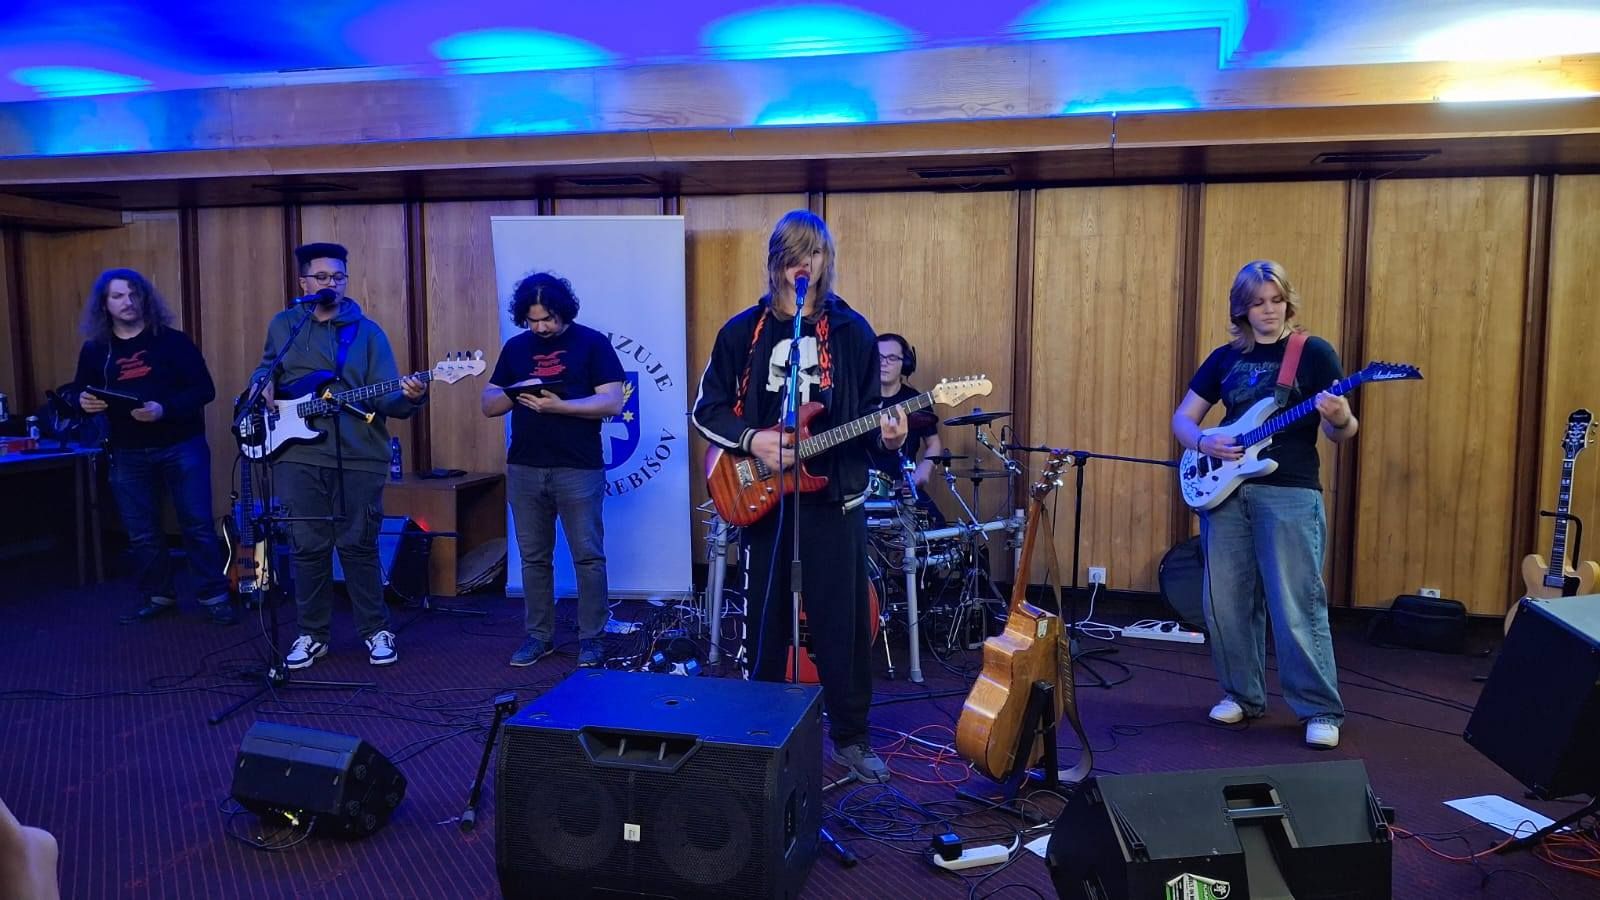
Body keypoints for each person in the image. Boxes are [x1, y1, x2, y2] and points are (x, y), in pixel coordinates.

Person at [692, 209, 906, 783]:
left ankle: (851, 738)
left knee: (843, 626)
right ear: (776, 264)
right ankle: (757, 735)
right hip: (764, 502)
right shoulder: (742, 332)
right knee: (764, 623)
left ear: (825, 260)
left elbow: (870, 421)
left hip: (835, 502)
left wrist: (889, 438)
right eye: (791, 256)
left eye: (812, 254)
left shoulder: (853, 332)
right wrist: (753, 440)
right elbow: (706, 410)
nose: (801, 266)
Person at [1170, 260, 1356, 749]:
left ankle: (1319, 709)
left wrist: (1339, 416)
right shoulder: (1224, 358)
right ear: (1242, 310)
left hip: (1290, 490)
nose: (1269, 310)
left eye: (1276, 300)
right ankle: (1241, 694)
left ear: (1287, 303)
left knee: (1296, 604)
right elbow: (1184, 419)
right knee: (1225, 603)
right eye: (1258, 303)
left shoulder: (1313, 353)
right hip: (1226, 491)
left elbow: (1342, 432)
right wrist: (1203, 442)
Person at [248, 243, 428, 670]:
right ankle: (312, 634)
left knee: (358, 544)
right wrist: (261, 384)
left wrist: (411, 397)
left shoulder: (368, 333)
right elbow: (267, 368)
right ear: (304, 283)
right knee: (306, 546)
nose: (332, 284)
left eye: (339, 277)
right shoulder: (284, 325)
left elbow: (386, 398)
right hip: (296, 453)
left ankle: (375, 630)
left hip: (358, 454)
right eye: (322, 277)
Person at [73, 268, 235, 626]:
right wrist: (83, 402)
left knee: (196, 524)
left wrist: (164, 409)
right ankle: (158, 595)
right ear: (104, 304)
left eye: (134, 294)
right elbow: (79, 393)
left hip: (181, 445)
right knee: (142, 531)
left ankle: (214, 596)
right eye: (118, 296)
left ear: (145, 299)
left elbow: (204, 390)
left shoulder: (172, 341)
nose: (128, 302)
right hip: (127, 451)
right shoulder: (96, 350)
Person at [482, 272, 624, 669]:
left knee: (588, 557)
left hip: (577, 467)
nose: (541, 327)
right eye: (533, 320)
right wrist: (516, 392)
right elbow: (489, 404)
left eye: (548, 319)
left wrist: (560, 406)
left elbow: (612, 402)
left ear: (564, 311)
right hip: (525, 466)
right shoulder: (516, 348)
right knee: (533, 558)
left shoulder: (592, 343)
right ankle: (538, 636)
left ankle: (592, 638)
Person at [867, 332, 946, 526]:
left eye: (892, 358)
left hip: (903, 488)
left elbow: (934, 443)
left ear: (906, 364)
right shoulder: (859, 400)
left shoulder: (916, 400)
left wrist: (924, 470)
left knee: (937, 528)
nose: (884, 363)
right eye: (879, 357)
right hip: (861, 491)